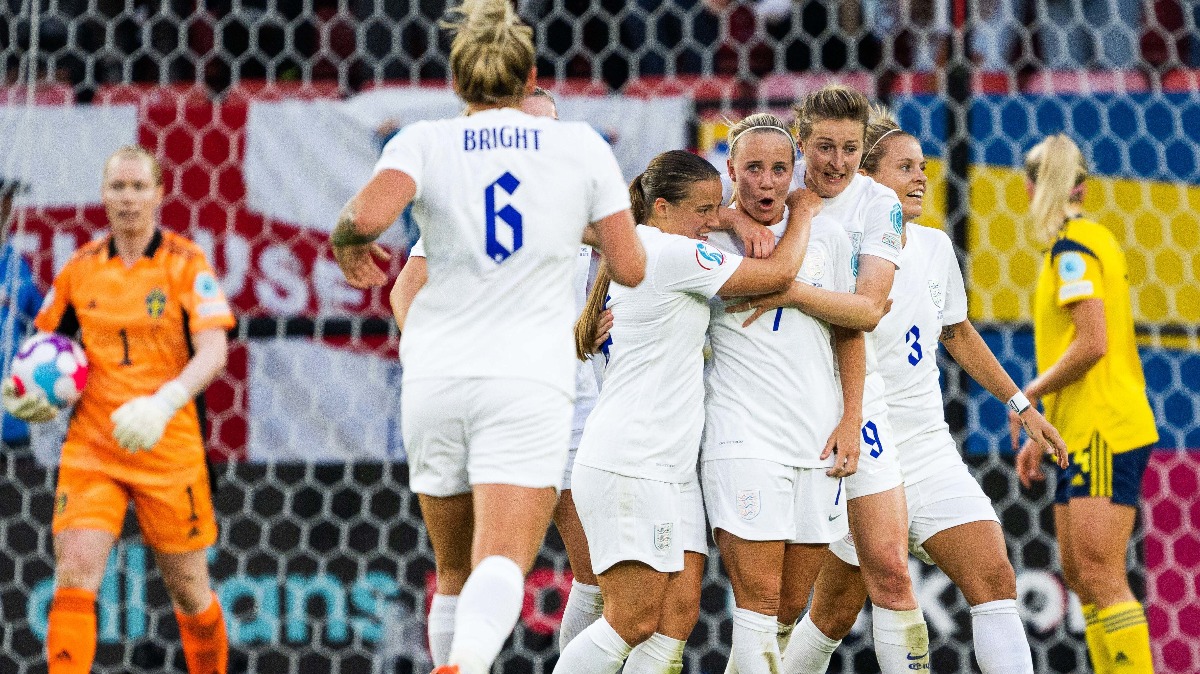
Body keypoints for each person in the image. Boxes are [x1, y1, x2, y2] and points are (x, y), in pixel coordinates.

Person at [330, 1, 647, 672]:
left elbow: (363, 218)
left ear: (460, 78)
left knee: (455, 570)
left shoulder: (429, 142)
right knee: (501, 560)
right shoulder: (575, 151)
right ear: (526, 75)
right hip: (530, 383)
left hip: (443, 380)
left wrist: (345, 242)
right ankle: (464, 665)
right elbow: (633, 268)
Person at [755, 105, 1069, 673]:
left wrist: (1020, 403)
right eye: (906, 166)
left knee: (995, 578)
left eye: (923, 165)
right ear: (870, 179)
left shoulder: (932, 248)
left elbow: (958, 332)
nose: (922, 177)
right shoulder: (828, 240)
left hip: (926, 443)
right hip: (860, 439)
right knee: (833, 613)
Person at [558, 148, 820, 674]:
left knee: (676, 617)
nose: (711, 223)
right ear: (660, 207)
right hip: (631, 461)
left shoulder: (647, 245)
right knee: (631, 620)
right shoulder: (669, 254)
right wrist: (805, 212)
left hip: (671, 469)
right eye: (703, 211)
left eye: (715, 208)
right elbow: (779, 273)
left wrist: (727, 216)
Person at [385, 86, 610, 660]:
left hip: (575, 396)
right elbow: (406, 290)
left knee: (597, 571)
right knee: (463, 566)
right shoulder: (467, 203)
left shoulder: (583, 199)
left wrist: (593, 315)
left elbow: (629, 262)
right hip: (494, 392)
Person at [1, 146, 235, 674]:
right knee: (76, 569)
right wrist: (21, 389)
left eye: (138, 187)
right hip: (93, 446)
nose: (128, 199)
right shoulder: (80, 270)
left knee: (191, 591)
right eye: (118, 188)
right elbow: (41, 347)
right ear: (103, 195)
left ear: (158, 193)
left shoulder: (184, 262)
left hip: (168, 445)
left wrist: (164, 402)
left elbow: (215, 352)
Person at [725, 84, 927, 673]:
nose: (834, 162)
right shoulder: (772, 191)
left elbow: (865, 311)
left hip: (860, 406)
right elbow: (696, 211)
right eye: (822, 147)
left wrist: (782, 286)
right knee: (790, 605)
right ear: (801, 142)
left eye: (848, 148)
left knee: (887, 566)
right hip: (774, 417)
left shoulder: (876, 206)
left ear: (863, 152)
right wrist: (736, 218)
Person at [700, 112, 861, 674]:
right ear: (731, 170)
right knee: (760, 603)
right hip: (743, 438)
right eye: (752, 169)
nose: (766, 182)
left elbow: (851, 331)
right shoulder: (708, 238)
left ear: (794, 171)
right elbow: (642, 214)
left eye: (777, 169)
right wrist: (724, 216)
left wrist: (852, 419)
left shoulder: (831, 236)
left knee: (791, 607)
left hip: (817, 438)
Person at [1011, 134, 1158, 674]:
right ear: (1085, 188)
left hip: (1104, 428)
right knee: (1080, 574)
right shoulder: (1085, 240)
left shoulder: (1073, 248)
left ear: (1030, 188)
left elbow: (1092, 342)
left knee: (1098, 573)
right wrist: (1042, 426)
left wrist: (1028, 396)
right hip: (1079, 429)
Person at [1, 176, 45, 452]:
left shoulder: (17, 265)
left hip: (13, 423)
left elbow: (42, 323)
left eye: (7, 204)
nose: (5, 210)